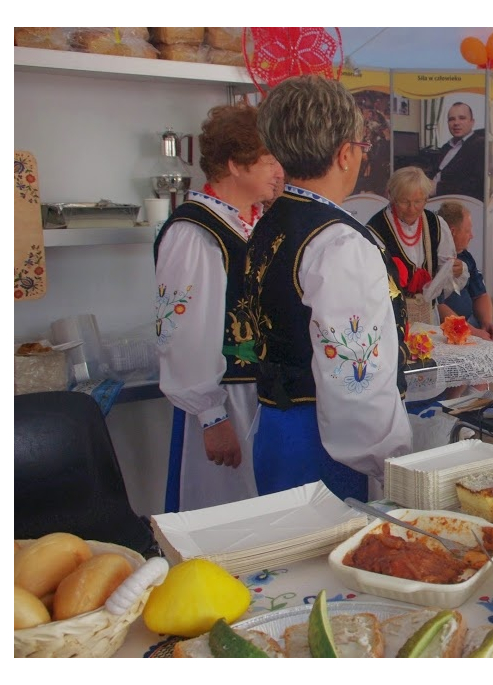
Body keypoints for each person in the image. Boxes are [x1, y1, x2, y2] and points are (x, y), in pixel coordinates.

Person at [242, 75, 413, 502]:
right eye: (362, 147)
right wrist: (390, 462)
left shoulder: (270, 221)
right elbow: (356, 383)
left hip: (276, 426)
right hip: (325, 444)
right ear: (345, 153)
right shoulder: (340, 243)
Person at [154, 102, 284, 512]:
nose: (278, 171)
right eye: (268, 161)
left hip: (262, 395)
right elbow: (185, 333)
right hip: (228, 399)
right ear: (235, 165)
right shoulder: (196, 232)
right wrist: (211, 417)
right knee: (227, 510)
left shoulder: (258, 221)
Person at [366, 167, 468, 324]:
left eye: (418, 202)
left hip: (427, 316)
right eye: (404, 201)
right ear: (391, 196)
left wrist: (456, 270)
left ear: (426, 199)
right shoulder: (375, 230)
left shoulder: (437, 224)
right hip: (391, 318)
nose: (411, 209)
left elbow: (446, 272)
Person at [436, 201, 493, 342]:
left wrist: (487, 324)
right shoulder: (434, 259)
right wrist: (473, 332)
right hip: (447, 329)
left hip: (473, 322)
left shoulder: (466, 256)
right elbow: (438, 307)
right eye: (467, 231)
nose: (471, 236)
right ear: (452, 231)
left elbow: (480, 295)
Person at [431, 102, 486, 199]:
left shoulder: (480, 146)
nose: (456, 123)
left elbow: (477, 186)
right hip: (428, 195)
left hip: (452, 202)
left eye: (462, 118)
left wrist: (436, 188)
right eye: (451, 119)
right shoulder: (446, 147)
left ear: (472, 122)